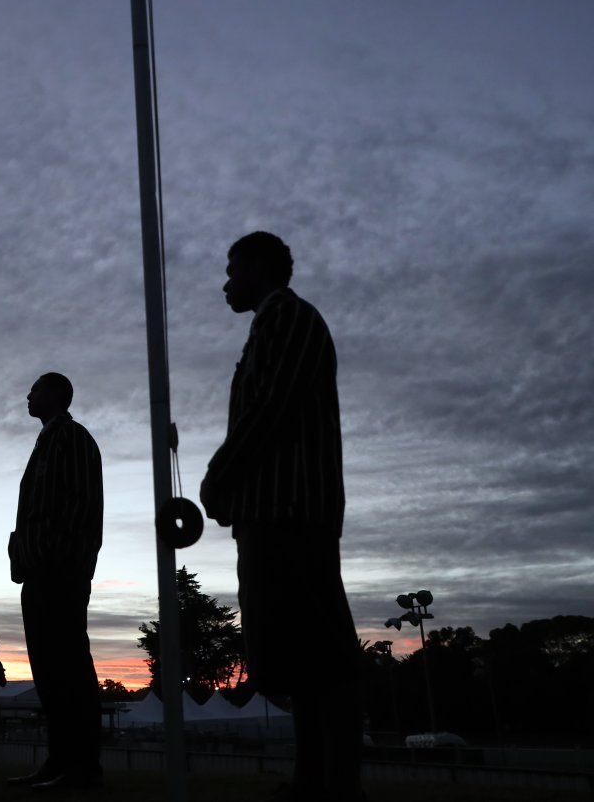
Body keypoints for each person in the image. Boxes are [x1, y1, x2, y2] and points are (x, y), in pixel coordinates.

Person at [199, 231, 362, 801]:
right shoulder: (272, 324)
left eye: (232, 270)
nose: (226, 283)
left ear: (259, 268)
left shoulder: (289, 317)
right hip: (273, 510)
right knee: (299, 655)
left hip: (293, 511)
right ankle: (315, 780)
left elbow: (271, 409)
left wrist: (219, 475)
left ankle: (338, 785)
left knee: (323, 651)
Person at [7, 372, 103, 790]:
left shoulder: (72, 437)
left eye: (36, 389)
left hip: (59, 572)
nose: (28, 395)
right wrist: (24, 557)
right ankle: (60, 760)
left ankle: (82, 766)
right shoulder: (47, 441)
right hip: (39, 572)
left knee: (68, 668)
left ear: (56, 394)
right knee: (48, 671)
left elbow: (81, 506)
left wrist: (59, 560)